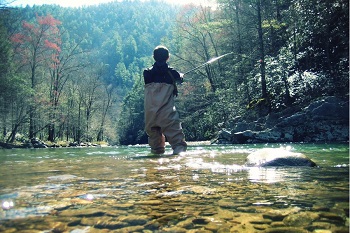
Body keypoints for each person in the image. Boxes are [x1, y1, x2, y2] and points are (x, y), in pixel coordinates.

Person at [143, 45, 187, 155]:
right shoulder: (172, 73)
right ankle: (179, 166)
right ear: (168, 57)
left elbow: (157, 73)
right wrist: (180, 76)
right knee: (178, 145)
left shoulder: (147, 73)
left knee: (156, 148)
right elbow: (179, 80)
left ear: (153, 57)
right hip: (167, 114)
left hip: (151, 114)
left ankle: (156, 168)